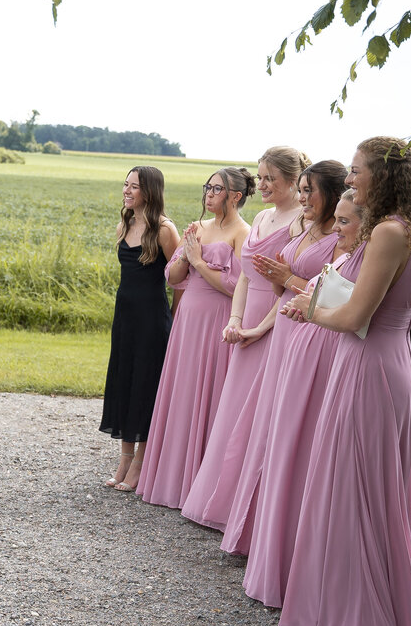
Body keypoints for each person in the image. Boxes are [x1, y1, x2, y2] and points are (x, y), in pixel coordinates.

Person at [278, 137, 411, 626]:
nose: (350, 180)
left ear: (384, 177)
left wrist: (311, 312)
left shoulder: (391, 232)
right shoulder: (400, 229)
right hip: (380, 361)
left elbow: (355, 318)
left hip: (371, 364)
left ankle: (359, 618)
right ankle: (346, 602)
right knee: (358, 485)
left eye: (356, 171)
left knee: (355, 489)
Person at [229, 181, 355, 597]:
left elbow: (336, 297)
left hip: (314, 334)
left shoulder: (343, 238)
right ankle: (259, 535)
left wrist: (290, 280)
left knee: (293, 437)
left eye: (310, 189)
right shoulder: (306, 230)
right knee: (270, 430)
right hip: (288, 325)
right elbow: (278, 283)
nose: (304, 197)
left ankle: (285, 544)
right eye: (301, 189)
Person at [181, 147, 308, 529]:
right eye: (261, 176)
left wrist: (260, 327)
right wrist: (235, 319)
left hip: (275, 322)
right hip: (245, 320)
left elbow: (289, 287)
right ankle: (216, 500)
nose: (262, 184)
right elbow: (247, 276)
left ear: (292, 180)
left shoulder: (302, 221)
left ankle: (248, 515)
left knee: (259, 417)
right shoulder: (264, 217)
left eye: (270, 178)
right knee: (232, 412)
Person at [134, 168, 254, 506]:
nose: (209, 193)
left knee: (209, 395)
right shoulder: (197, 228)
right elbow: (172, 277)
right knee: (183, 393)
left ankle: (200, 487)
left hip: (217, 322)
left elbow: (237, 287)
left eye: (217, 188)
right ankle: (169, 480)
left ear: (236, 196)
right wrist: (185, 256)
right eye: (208, 187)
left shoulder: (242, 233)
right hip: (188, 322)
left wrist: (200, 262)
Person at [100, 167, 180, 491]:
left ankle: (140, 463)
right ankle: (123, 458)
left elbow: (180, 279)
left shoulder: (164, 229)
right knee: (124, 380)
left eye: (134, 187)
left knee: (145, 385)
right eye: (125, 184)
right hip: (125, 315)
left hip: (151, 318)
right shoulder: (126, 223)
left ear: (150, 191)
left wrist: (174, 319)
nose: (127, 191)